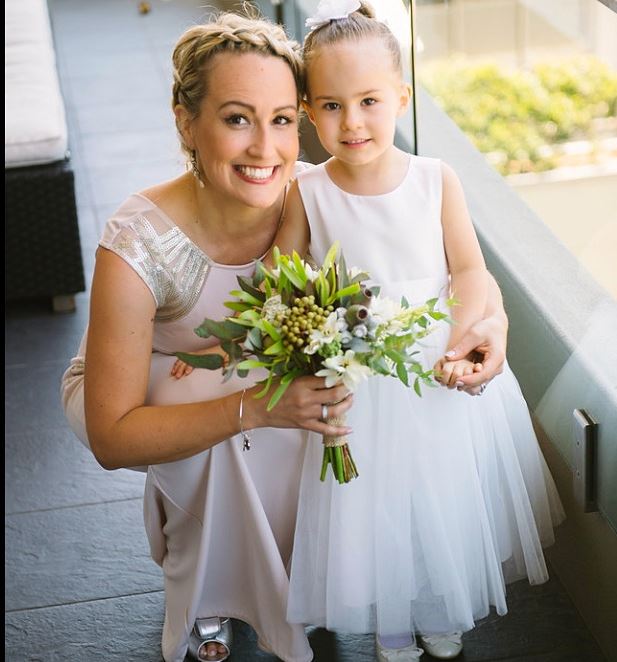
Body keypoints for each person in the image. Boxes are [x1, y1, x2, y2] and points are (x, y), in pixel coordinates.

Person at [59, 8, 511, 662]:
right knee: (230, 400)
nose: (265, 150)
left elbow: (445, 266)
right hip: (144, 385)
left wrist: (488, 322)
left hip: (244, 362)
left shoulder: (320, 188)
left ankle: (292, 571)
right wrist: (254, 406)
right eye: (236, 118)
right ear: (186, 121)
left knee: (312, 393)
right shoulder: (137, 242)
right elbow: (111, 435)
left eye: (280, 120)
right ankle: (209, 585)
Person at [268, 2, 565, 661]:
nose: (352, 122)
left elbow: (466, 269)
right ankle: (390, 618)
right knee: (373, 502)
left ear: (401, 97)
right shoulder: (307, 191)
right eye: (331, 106)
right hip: (358, 371)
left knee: (438, 493)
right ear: (309, 112)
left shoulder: (434, 179)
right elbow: (285, 274)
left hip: (430, 362)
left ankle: (437, 605)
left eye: (369, 101)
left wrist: (459, 346)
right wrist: (308, 333)